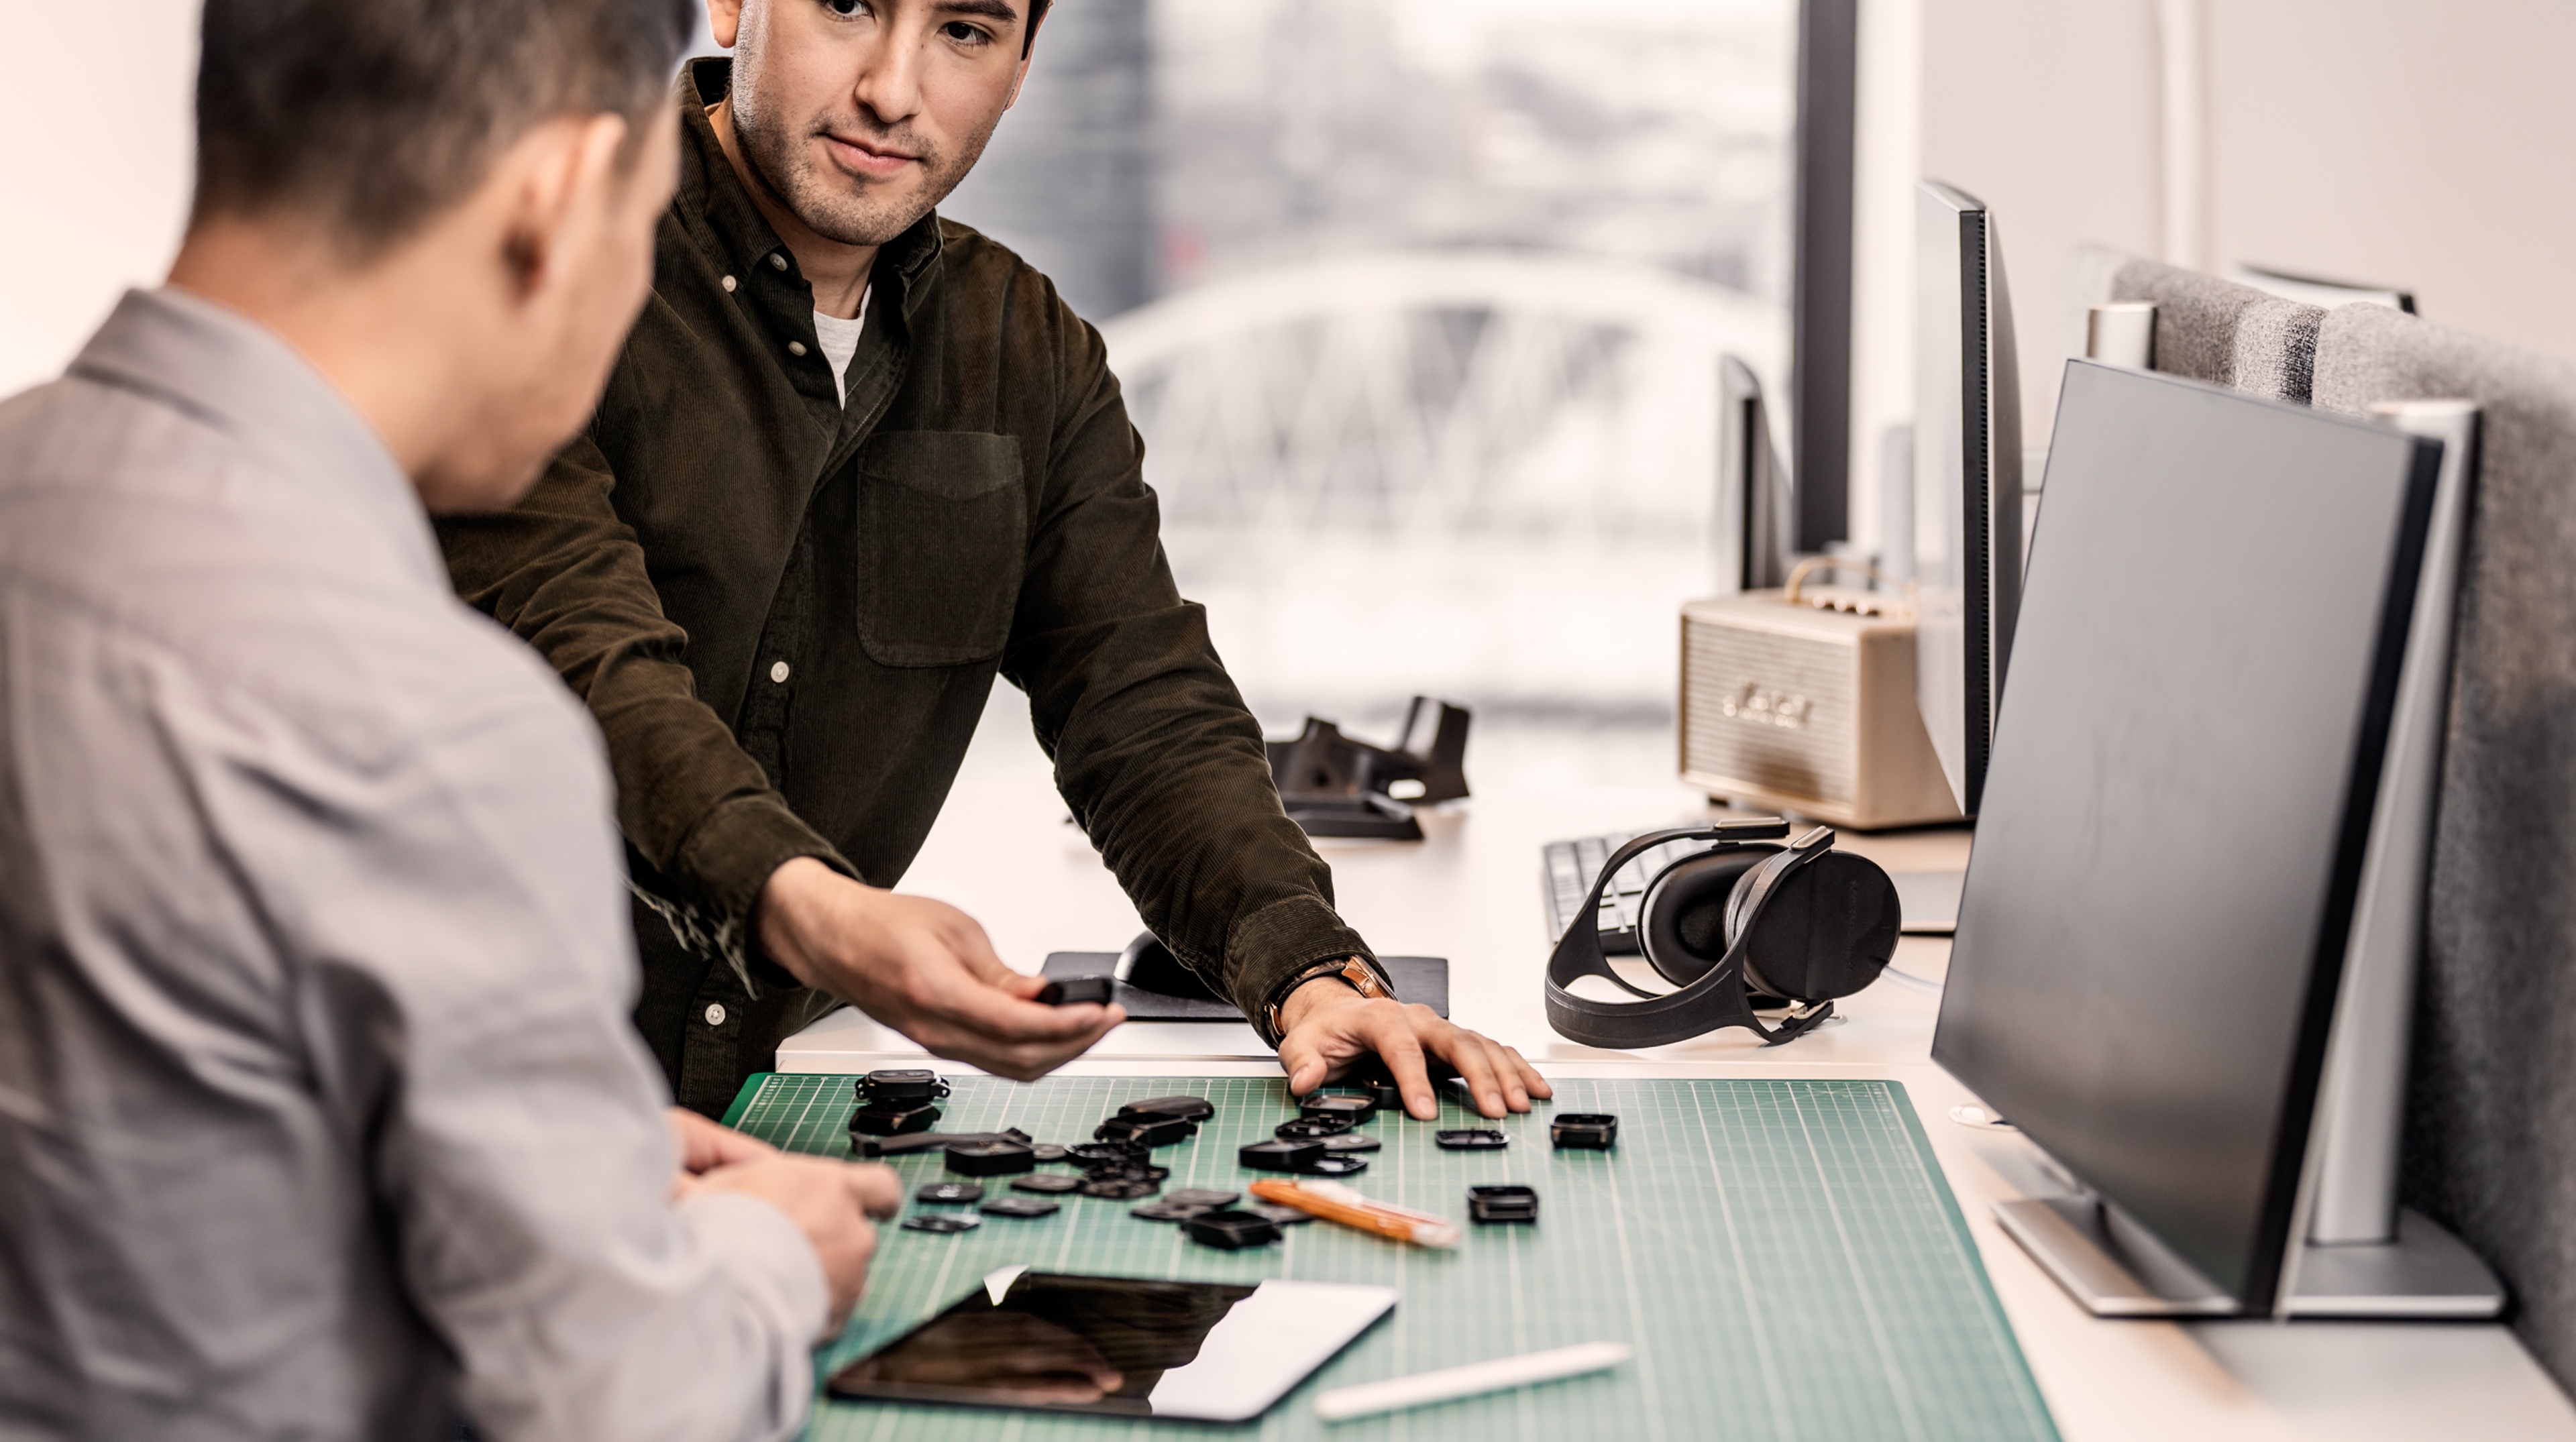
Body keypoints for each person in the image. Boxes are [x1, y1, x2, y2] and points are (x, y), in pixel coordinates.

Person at [0, 2, 904, 1438]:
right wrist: (770, 1257)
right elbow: (614, 1410)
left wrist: (548, 1165)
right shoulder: (432, 725)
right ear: (555, 202)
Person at [436, 0, 1554, 1122]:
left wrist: (1308, 978)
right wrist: (816, 907)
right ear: (729, 4)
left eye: (965, 31)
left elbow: (1141, 707)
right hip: (458, 1105)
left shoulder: (1027, 351)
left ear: (1024, 66)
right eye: (847, 5)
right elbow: (585, 668)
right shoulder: (535, 260)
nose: (892, 89)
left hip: (792, 1112)